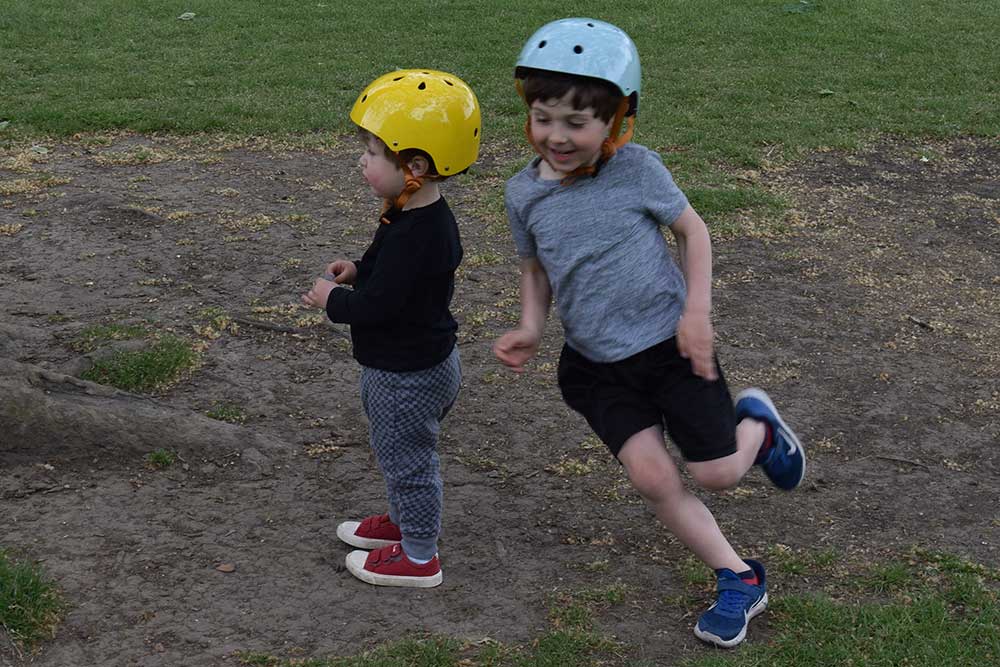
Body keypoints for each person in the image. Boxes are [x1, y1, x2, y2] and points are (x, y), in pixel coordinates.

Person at [493, 18, 806, 647]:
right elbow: (535, 268)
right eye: (543, 118)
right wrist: (531, 324)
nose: (557, 136)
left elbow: (693, 231)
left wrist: (697, 313)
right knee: (653, 478)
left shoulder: (636, 170)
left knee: (717, 474)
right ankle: (739, 577)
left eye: (576, 122)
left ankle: (759, 429)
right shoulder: (522, 193)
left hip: (672, 349)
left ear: (616, 121)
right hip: (595, 368)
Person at [302, 69, 480, 588]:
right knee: (399, 452)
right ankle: (403, 523)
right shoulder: (413, 215)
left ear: (415, 166)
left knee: (409, 461)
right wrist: (358, 271)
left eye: (374, 152)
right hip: (421, 362)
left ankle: (420, 556)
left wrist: (333, 299)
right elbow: (394, 280)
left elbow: (379, 307)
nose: (363, 160)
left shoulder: (415, 234)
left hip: (406, 375)